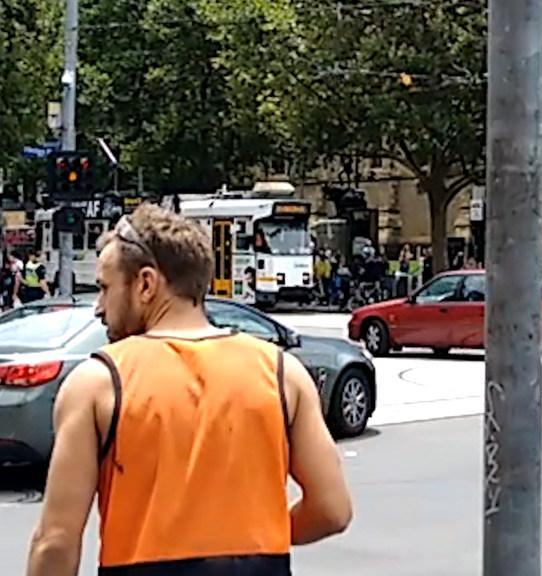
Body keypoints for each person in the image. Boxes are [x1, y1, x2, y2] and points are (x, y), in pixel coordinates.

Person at [26, 205, 352, 576]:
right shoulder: (281, 373)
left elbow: (56, 541)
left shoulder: (99, 383)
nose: (99, 308)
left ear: (146, 284)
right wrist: (259, 538)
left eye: (104, 288)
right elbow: (332, 509)